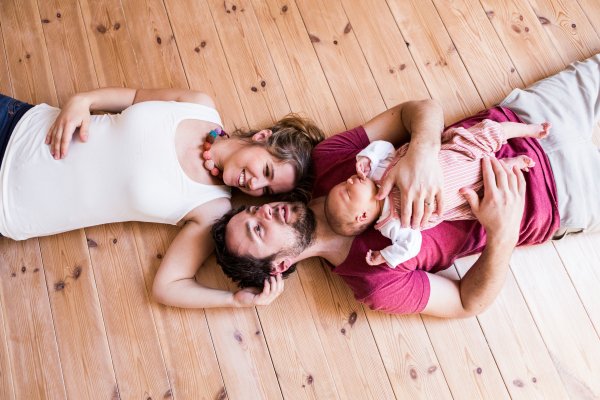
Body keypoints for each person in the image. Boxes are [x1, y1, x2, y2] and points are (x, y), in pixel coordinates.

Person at [212, 54, 600, 318]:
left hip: (518, 121)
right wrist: (503, 232)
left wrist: (424, 151)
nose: (262, 211)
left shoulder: (329, 161)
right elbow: (467, 304)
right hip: (564, 197)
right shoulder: (374, 282)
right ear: (280, 266)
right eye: (258, 229)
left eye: (250, 211)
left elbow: (415, 110)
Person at [0, 87, 325, 308]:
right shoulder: (199, 104)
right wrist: (83, 99)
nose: (255, 184)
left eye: (266, 191)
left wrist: (234, 301)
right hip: (17, 124)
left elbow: (167, 286)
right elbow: (133, 96)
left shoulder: (211, 208)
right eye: (266, 171)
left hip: (10, 205)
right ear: (262, 138)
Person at [324, 120, 549, 268]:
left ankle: (528, 129)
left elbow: (385, 148)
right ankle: (508, 164)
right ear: (362, 216)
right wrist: (386, 255)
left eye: (345, 182)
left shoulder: (375, 171)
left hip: (457, 154)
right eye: (347, 191)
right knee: (492, 190)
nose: (350, 180)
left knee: (489, 130)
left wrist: (367, 157)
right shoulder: (390, 224)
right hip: (465, 192)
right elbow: (411, 245)